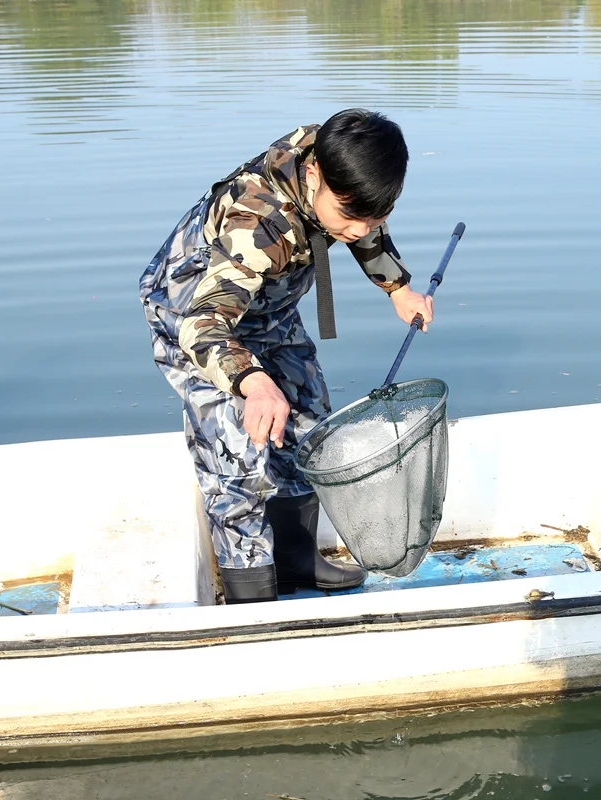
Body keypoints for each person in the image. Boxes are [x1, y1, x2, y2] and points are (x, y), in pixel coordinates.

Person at [140, 109, 433, 604]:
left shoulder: (343, 166)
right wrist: (252, 380)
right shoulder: (257, 220)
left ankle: (296, 560)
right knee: (238, 450)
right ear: (315, 174)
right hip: (196, 317)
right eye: (348, 217)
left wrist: (397, 287)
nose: (360, 230)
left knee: (308, 422)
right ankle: (250, 589)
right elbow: (203, 324)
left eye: (375, 217)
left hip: (267, 311)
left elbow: (362, 219)